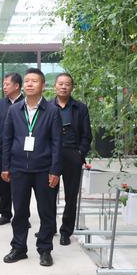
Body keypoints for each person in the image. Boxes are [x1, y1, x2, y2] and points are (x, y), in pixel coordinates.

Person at [1, 68, 62, 267]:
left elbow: (56, 143)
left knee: (46, 211)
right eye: (26, 81)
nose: (29, 84)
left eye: (34, 81)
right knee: (19, 211)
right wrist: (5, 166)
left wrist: (55, 170)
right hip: (19, 168)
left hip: (44, 169)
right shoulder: (14, 110)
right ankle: (19, 248)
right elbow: (7, 139)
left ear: (43, 86)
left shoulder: (52, 111)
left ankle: (45, 249)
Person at [53, 73, 92, 245]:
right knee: (47, 194)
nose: (63, 87)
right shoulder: (47, 107)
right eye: (60, 83)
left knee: (71, 196)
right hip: (52, 156)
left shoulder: (80, 108)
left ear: (72, 87)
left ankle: (65, 231)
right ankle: (48, 228)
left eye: (67, 84)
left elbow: (87, 135)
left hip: (72, 154)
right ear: (55, 86)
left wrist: (80, 154)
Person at [0, 73, 23, 225]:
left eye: (7, 84)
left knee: (21, 185)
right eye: (4, 84)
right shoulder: (1, 104)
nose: (4, 87)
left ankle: (21, 216)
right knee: (4, 182)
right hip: (3, 148)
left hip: (21, 150)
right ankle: (5, 213)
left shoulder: (26, 102)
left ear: (16, 86)